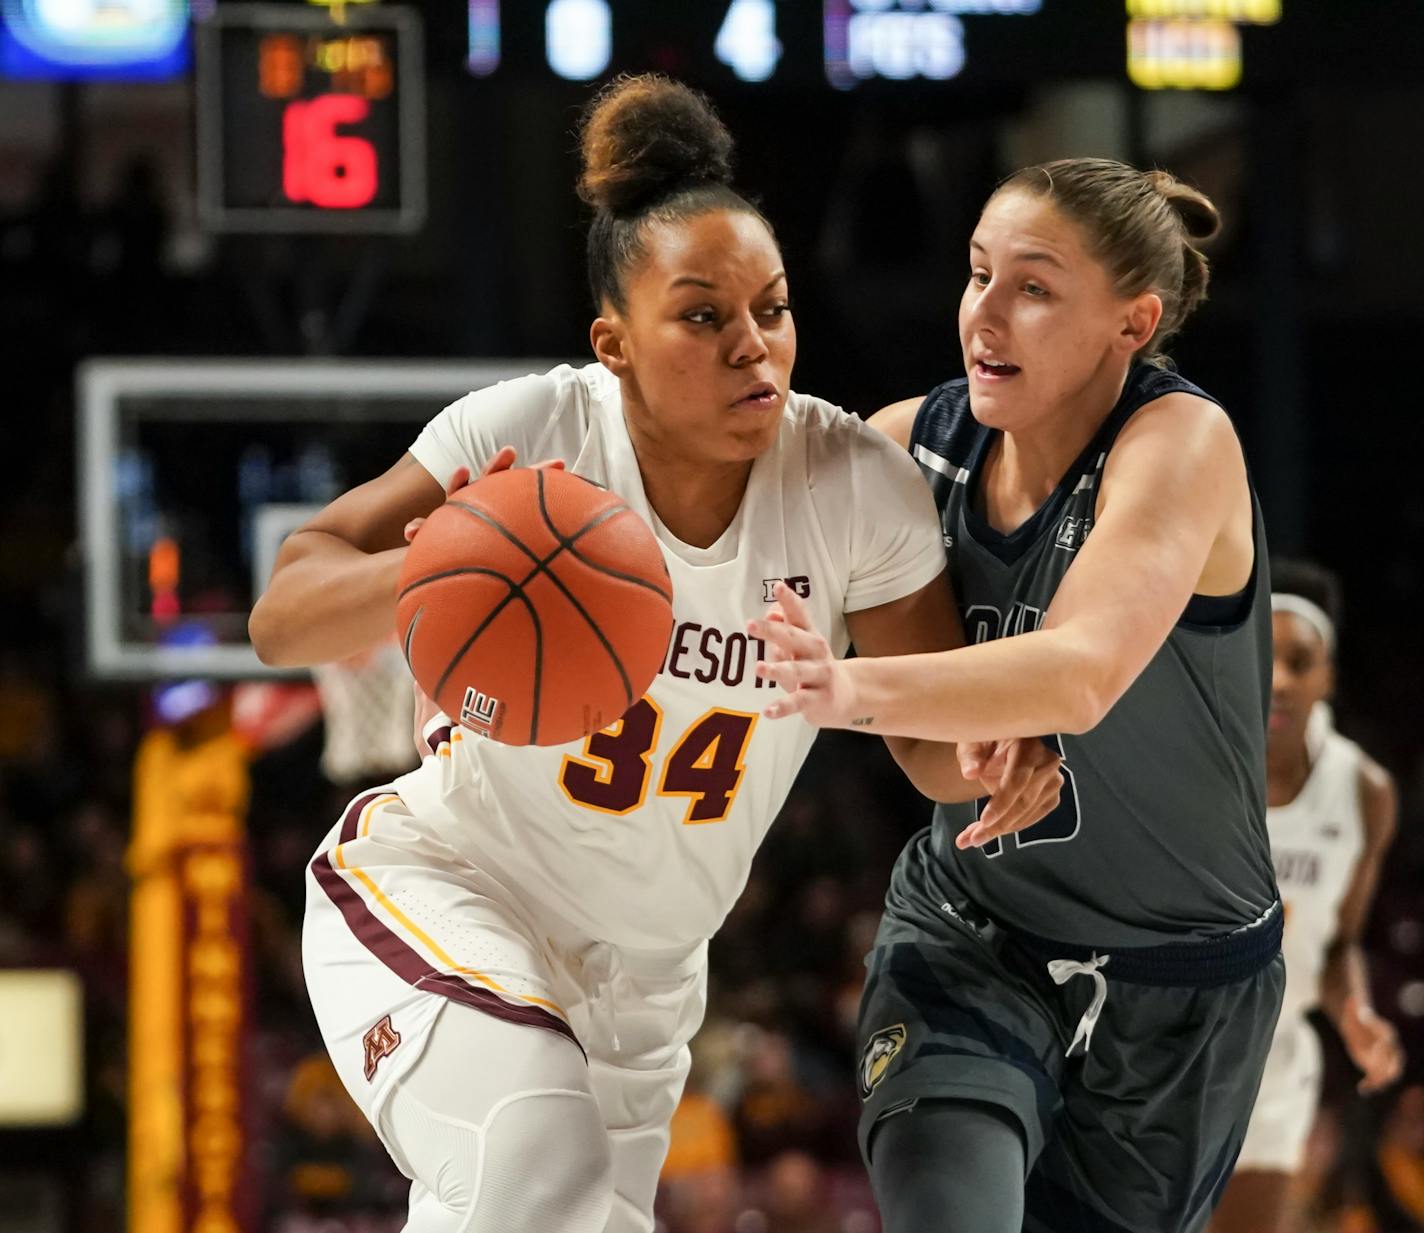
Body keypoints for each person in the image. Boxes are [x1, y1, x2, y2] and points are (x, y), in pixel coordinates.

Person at [249, 76, 1061, 1233]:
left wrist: (993, 747)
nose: (752, 347)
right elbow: (285, 613)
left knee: (536, 1202)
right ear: (612, 343)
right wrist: (450, 565)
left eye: (772, 310)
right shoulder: (531, 431)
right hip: (450, 887)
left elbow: (930, 750)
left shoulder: (851, 487)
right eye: (702, 316)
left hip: (647, 983)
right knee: (534, 1158)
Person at [752, 157, 1286, 1233]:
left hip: (1179, 983)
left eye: (1032, 289)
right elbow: (715, 516)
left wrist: (843, 685)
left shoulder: (1179, 442)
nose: (983, 314)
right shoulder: (908, 447)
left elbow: (1080, 669)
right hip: (968, 931)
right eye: (976, 274)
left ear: (1130, 323)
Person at [1212, 559, 1402, 1233]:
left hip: (1272, 1056)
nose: (1281, 680)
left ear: (1329, 676)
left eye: (1302, 660)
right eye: (1266, 655)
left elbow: (1339, 944)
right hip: (1161, 1046)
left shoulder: (1364, 793)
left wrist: (1354, 1013)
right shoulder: (1187, 764)